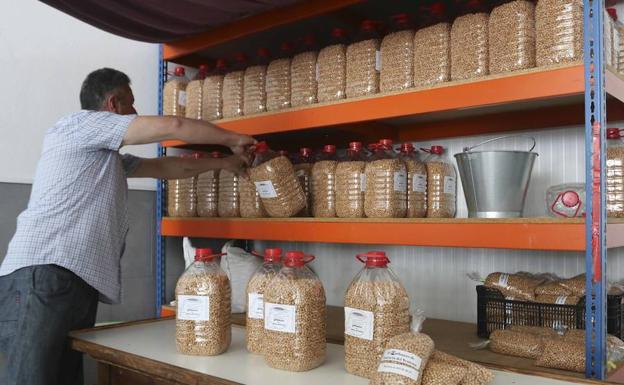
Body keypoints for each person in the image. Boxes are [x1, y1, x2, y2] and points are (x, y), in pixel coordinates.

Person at [0, 68, 256, 385]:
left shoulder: (104, 157)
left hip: (69, 282)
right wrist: (234, 139)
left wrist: (225, 163)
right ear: (113, 103)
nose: (136, 113)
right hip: (43, 275)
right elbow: (173, 126)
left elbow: (168, 166)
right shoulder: (80, 125)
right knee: (29, 379)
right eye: (131, 104)